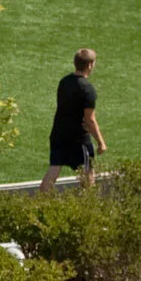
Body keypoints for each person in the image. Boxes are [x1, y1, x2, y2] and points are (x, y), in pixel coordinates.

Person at [42, 47, 105, 192]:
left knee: (54, 169)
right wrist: (101, 142)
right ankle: (88, 203)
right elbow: (90, 120)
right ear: (89, 65)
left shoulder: (64, 82)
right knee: (88, 173)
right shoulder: (87, 89)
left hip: (58, 134)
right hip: (78, 139)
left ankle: (40, 200)